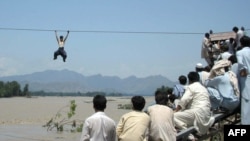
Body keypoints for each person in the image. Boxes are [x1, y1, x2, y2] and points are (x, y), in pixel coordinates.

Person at [174, 71, 214, 140]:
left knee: (172, 117)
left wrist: (175, 111)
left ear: (189, 80)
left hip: (197, 113)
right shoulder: (203, 88)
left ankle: (190, 136)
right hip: (206, 114)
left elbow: (183, 100)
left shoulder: (191, 87)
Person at [236, 35, 250, 125]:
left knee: (246, 101)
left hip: (246, 78)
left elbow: (241, 66)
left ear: (241, 43)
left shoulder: (240, 53)